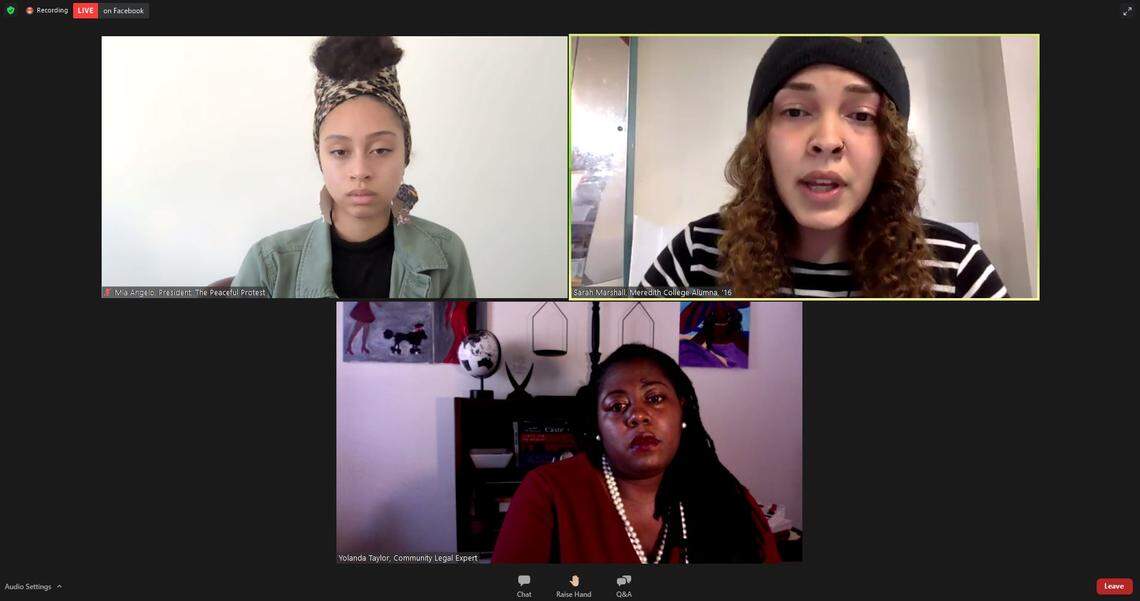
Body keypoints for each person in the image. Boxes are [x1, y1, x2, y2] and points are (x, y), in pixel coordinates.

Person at [641, 37, 1008, 298]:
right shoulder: (696, 257)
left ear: (889, 145)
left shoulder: (956, 266)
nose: (827, 140)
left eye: (861, 115)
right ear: (762, 138)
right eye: (796, 111)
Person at [232, 36, 476, 298]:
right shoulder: (268, 265)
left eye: (381, 150)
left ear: (405, 154)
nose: (360, 171)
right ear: (320, 158)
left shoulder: (447, 254)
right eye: (340, 152)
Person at [492, 344, 781, 563]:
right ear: (597, 426)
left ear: (682, 410)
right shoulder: (547, 493)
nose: (638, 415)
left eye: (655, 399)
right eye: (617, 406)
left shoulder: (729, 498)